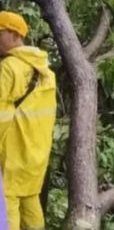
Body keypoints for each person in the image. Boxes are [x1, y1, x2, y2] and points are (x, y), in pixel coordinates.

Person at [0, 11, 56, 230]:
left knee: (7, 204)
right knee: (31, 201)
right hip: (36, 154)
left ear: (15, 35)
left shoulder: (9, 68)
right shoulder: (46, 71)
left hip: (13, 153)